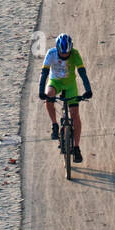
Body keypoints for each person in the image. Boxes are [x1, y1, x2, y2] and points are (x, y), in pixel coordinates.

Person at [38, 33, 92, 164]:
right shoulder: (51, 54)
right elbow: (44, 73)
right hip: (55, 82)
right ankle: (55, 125)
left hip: (70, 85)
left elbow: (82, 73)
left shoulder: (75, 54)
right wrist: (41, 91)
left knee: (75, 115)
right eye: (62, 54)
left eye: (67, 54)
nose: (64, 56)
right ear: (57, 49)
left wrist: (88, 89)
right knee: (49, 96)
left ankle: (76, 147)